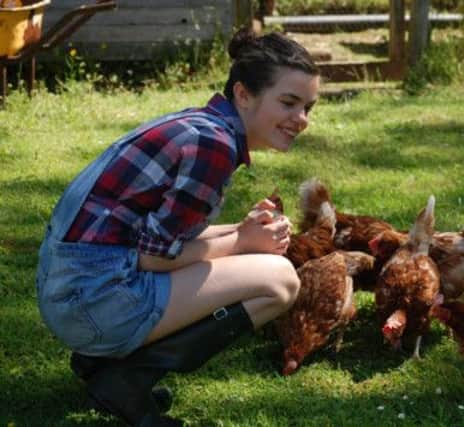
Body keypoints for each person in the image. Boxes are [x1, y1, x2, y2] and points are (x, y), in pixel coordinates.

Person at [35, 28, 320, 427]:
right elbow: (155, 259)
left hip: (71, 291)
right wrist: (241, 241)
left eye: (308, 107)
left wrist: (239, 231)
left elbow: (154, 237)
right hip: (91, 304)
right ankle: (126, 379)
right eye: (289, 103)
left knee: (258, 260)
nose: (302, 120)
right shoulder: (214, 147)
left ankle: (103, 362)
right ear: (243, 94)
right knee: (280, 281)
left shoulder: (201, 126)